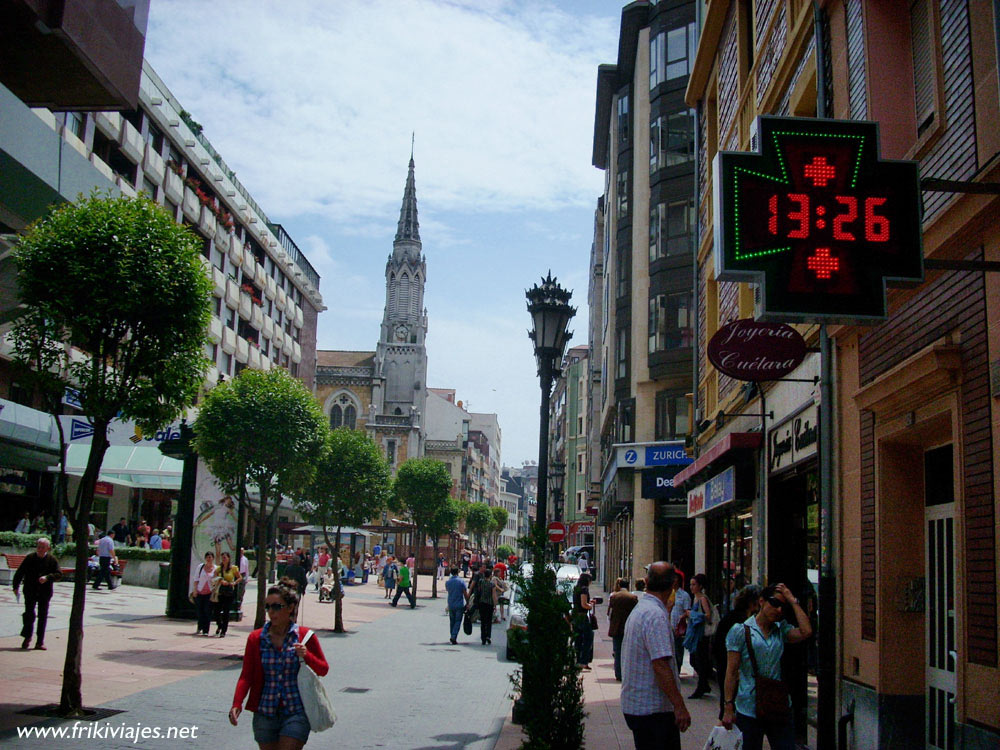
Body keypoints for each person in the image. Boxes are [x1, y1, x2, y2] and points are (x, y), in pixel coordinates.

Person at [230, 579, 328, 749]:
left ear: (290, 608)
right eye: (268, 607)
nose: (271, 612)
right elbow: (247, 675)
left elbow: (323, 669)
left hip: (296, 710)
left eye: (276, 607)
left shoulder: (304, 637)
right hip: (265, 710)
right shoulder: (256, 639)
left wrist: (307, 655)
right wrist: (237, 703)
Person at [722, 583, 813, 750]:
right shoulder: (741, 631)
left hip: (777, 703)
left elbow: (806, 631)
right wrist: (728, 706)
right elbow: (731, 671)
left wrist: (792, 601)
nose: (778, 610)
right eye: (775, 603)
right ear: (761, 601)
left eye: (783, 606)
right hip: (749, 705)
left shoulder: (780, 629)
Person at [620, 561, 691, 748]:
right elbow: (660, 664)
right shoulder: (655, 615)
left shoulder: (643, 609)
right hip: (653, 710)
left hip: (639, 706)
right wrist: (679, 705)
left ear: (646, 581)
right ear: (673, 584)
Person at [714, 584, 761, 720]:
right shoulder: (740, 622)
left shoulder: (732, 617)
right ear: (752, 602)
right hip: (731, 667)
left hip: (726, 666)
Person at [12, 537, 62, 650]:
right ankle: (27, 636)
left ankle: (40, 642)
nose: (40, 549)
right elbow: (20, 572)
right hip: (30, 590)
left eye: (42, 547)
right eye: (38, 547)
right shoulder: (30, 558)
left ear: (48, 548)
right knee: (29, 614)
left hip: (45, 592)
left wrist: (47, 577)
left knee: (42, 616)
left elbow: (59, 574)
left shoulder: (52, 559)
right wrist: (15, 586)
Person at [683, 573, 715, 699]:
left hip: (701, 635)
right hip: (696, 633)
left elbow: (708, 615)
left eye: (694, 584)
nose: (691, 587)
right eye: (691, 584)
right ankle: (704, 684)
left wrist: (692, 614)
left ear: (700, 586)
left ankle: (702, 685)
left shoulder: (702, 599)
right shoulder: (696, 598)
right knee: (695, 660)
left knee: (699, 660)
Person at [608, 578, 639, 681]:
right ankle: (627, 673)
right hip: (628, 627)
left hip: (616, 627)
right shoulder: (633, 597)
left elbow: (609, 613)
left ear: (619, 585)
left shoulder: (614, 597)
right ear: (628, 585)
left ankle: (618, 674)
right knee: (628, 651)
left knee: (617, 651)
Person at [572, 572, 596, 671]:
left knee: (578, 639)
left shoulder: (576, 589)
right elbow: (583, 604)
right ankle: (583, 661)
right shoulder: (584, 589)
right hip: (582, 617)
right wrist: (590, 605)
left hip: (576, 616)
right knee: (588, 639)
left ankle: (577, 660)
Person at [215, 551, 242, 638]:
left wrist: (234, 583)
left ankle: (223, 631)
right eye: (222, 557)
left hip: (229, 591)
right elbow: (214, 577)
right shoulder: (219, 568)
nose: (223, 559)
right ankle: (219, 625)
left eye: (225, 557)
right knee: (217, 611)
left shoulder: (233, 568)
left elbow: (240, 577)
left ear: (229, 558)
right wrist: (220, 581)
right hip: (220, 591)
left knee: (226, 611)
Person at [670, 570, 691, 676]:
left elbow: (688, 611)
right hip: (668, 626)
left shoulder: (684, 595)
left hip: (678, 627)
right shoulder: (667, 593)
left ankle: (677, 671)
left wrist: (682, 617)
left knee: (678, 650)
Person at [191, 551, 216, 636]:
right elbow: (196, 579)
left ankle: (206, 630)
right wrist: (195, 590)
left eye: (210, 557)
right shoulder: (200, 567)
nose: (209, 559)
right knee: (200, 611)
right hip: (200, 591)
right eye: (207, 557)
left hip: (209, 593)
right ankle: (200, 626)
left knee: (207, 611)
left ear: (213, 558)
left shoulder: (215, 568)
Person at [470, 565, 495, 645]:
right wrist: (495, 604)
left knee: (483, 621)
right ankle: (488, 635)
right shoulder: (492, 584)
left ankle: (483, 637)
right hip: (490, 604)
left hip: (482, 603)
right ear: (490, 575)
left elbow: (478, 591)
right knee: (489, 621)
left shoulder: (481, 582)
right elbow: (493, 595)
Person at [445, 566, 468, 644]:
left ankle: (452, 635)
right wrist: (468, 602)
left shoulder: (448, 582)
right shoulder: (461, 582)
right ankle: (454, 636)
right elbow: (465, 593)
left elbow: (448, 590)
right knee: (458, 621)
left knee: (452, 621)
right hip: (459, 604)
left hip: (451, 603)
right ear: (458, 572)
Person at [237, 546, 250, 613]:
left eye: (242, 551)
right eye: (240, 551)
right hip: (237, 574)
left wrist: (247, 578)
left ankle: (239, 605)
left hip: (243, 575)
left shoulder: (245, 559)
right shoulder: (236, 558)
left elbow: (247, 569)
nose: (241, 552)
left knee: (241, 591)